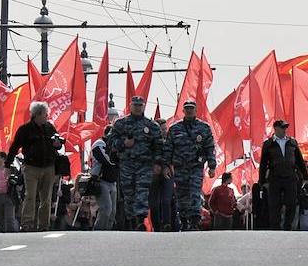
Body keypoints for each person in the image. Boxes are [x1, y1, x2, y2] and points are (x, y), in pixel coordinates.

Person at [109, 95, 164, 231]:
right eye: (135, 105)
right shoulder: (120, 123)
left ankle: (140, 220)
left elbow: (159, 146)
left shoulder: (152, 126)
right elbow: (110, 141)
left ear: (144, 106)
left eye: (140, 105)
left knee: (142, 192)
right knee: (129, 194)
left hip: (145, 165)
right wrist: (123, 143)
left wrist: (158, 163)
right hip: (127, 164)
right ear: (130, 106)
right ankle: (132, 220)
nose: (138, 108)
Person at [8, 101, 60, 231]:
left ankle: (43, 225)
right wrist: (7, 164)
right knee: (30, 195)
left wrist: (58, 144)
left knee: (46, 198)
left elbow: (59, 143)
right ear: (37, 114)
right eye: (45, 114)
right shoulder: (25, 129)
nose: (47, 116)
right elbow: (14, 147)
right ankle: (26, 224)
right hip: (31, 167)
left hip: (48, 167)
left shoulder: (50, 128)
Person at [167, 100, 217, 232]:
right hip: (179, 168)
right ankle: (183, 220)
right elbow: (168, 149)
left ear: (196, 110)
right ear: (183, 111)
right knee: (181, 195)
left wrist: (212, 165)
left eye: (191, 108)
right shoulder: (174, 128)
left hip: (195, 167)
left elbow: (210, 147)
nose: (189, 110)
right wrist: (166, 165)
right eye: (187, 108)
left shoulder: (204, 128)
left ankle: (194, 221)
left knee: (195, 193)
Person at [260, 119, 308, 231]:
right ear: (275, 129)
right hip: (275, 177)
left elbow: (300, 161)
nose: (284, 130)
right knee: (274, 204)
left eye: (285, 128)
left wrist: (306, 176)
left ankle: (288, 226)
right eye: (282, 128)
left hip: (290, 177)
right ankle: (275, 228)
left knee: (291, 202)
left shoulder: (292, 142)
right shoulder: (268, 144)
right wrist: (262, 181)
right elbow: (263, 164)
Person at [89, 129, 119, 230]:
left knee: (113, 211)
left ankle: (108, 233)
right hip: (101, 180)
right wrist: (115, 156)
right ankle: (98, 231)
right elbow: (106, 159)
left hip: (113, 181)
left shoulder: (116, 145)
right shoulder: (99, 143)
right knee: (106, 208)